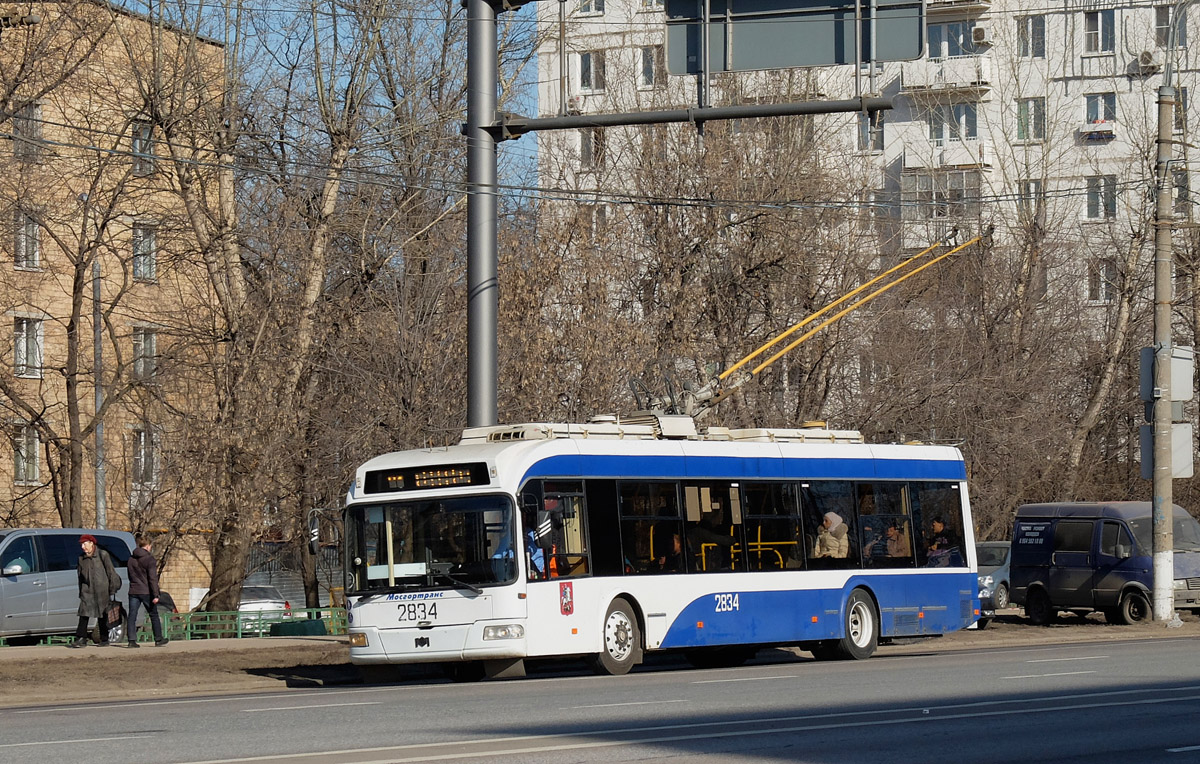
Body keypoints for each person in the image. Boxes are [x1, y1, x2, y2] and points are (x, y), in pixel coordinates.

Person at [70, 534, 120, 648]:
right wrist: (81, 591)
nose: (83, 547)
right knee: (83, 614)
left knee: (102, 615)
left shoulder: (103, 555)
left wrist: (112, 589)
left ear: (91, 543)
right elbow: (80, 577)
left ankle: (104, 639)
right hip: (87, 591)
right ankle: (81, 638)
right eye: (81, 544)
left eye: (84, 543)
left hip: (102, 591)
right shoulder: (81, 558)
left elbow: (110, 572)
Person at [127, 534, 169, 647]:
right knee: (153, 615)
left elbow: (130, 575)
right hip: (146, 591)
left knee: (132, 615)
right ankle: (158, 638)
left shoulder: (131, 559)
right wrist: (156, 594)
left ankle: (131, 640)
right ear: (147, 546)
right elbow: (152, 578)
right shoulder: (149, 559)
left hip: (133, 590)